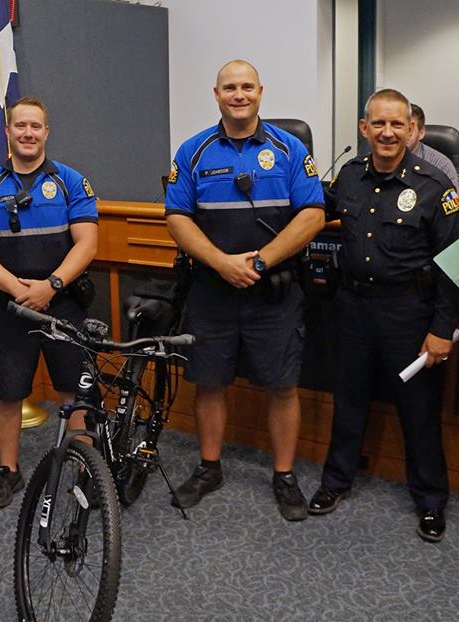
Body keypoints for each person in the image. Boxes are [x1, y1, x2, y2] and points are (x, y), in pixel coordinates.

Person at [164, 60, 325, 521]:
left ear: (261, 92)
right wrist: (220, 263)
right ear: (216, 93)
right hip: (212, 291)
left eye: (247, 87)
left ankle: (284, 474)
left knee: (282, 385)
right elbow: (177, 218)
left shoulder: (289, 148)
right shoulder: (193, 151)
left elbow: (312, 214)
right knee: (209, 382)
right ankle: (209, 466)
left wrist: (259, 261)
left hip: (273, 292)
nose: (239, 94)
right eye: (230, 87)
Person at [308, 89, 459, 542]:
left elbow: (454, 264)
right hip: (353, 308)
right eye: (379, 124)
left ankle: (432, 501)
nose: (388, 132)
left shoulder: (435, 186)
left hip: (409, 313)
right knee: (349, 399)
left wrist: (441, 329)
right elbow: (319, 207)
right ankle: (335, 482)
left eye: (398, 124)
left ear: (412, 129)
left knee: (419, 409)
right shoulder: (351, 176)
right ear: (364, 128)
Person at [0, 96, 99, 508]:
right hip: (8, 308)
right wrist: (18, 289)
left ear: (46, 132)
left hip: (63, 304)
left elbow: (88, 242)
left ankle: (82, 468)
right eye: (20, 126)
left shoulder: (72, 181)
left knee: (75, 391)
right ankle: (9, 471)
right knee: (7, 393)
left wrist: (51, 285)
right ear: (7, 132)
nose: (27, 133)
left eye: (35, 126)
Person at [407, 103, 459, 196]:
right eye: (399, 127)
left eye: (409, 129)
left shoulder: (441, 165)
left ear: (421, 133)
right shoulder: (381, 161)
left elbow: (451, 206)